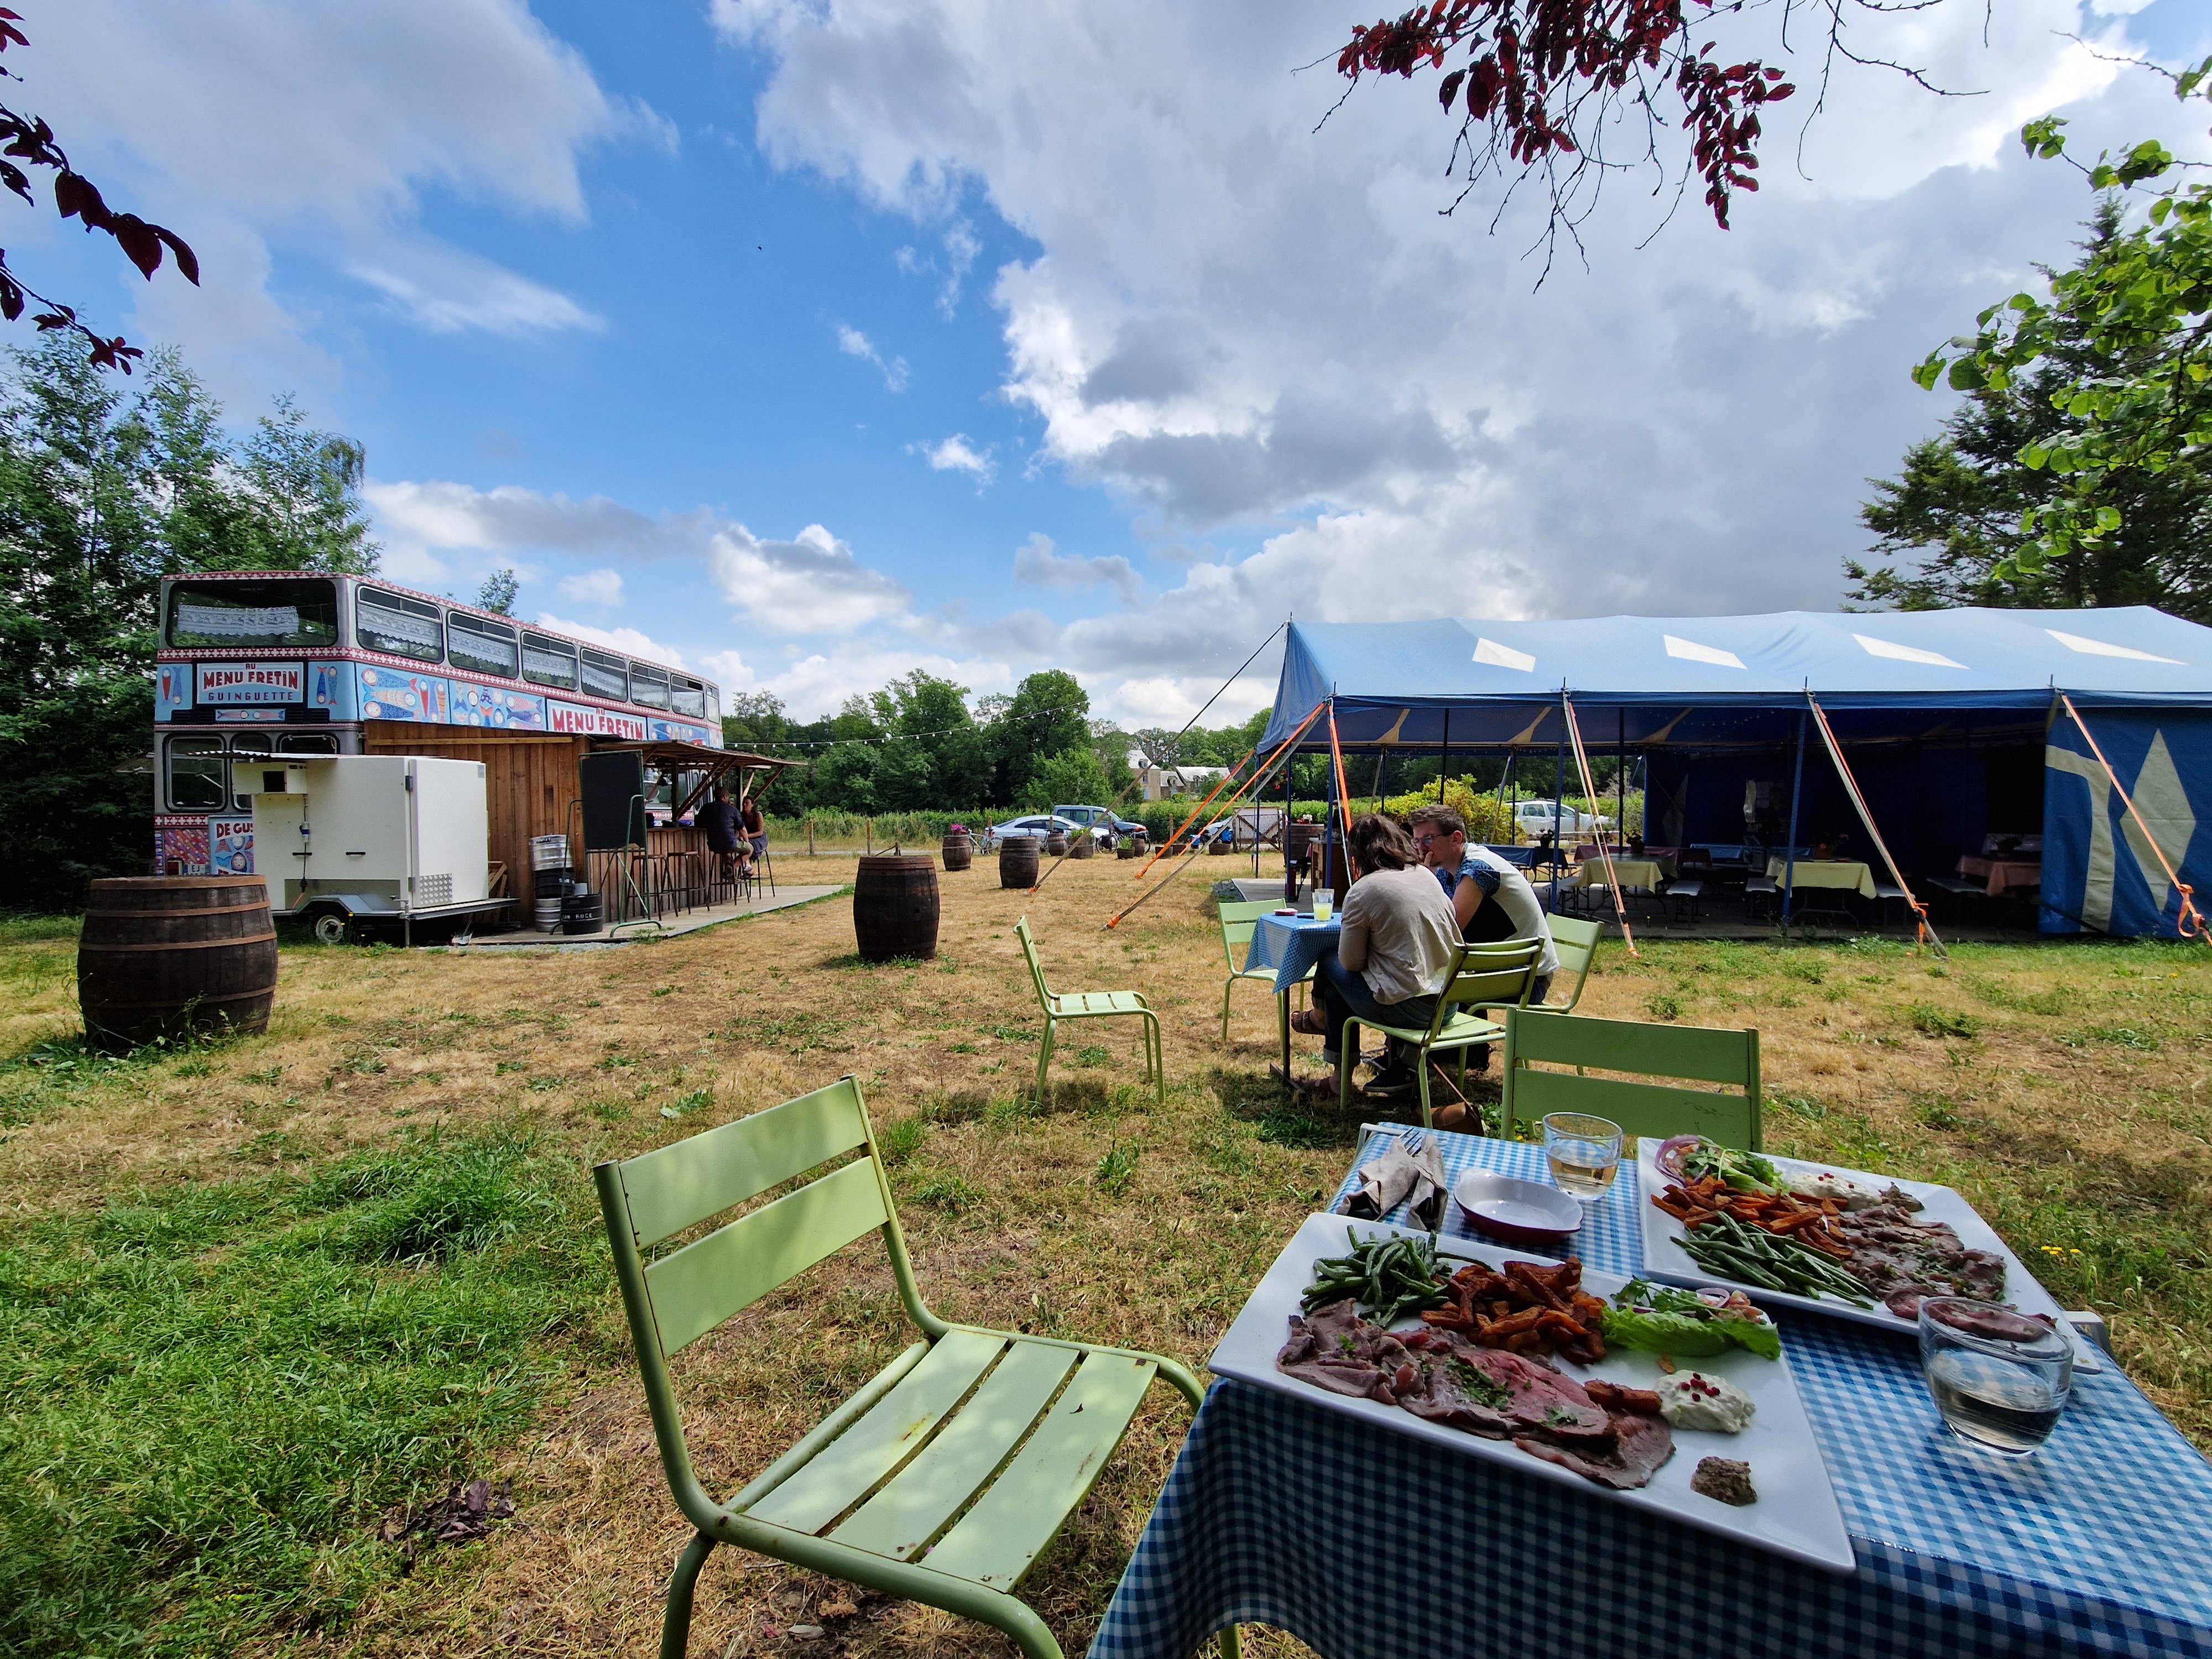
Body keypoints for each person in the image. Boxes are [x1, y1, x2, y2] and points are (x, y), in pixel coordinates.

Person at [1287, 814, 1463, 1117]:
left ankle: (1318, 1017)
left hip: (1411, 1008)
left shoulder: (1363, 890)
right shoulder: (1426, 876)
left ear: (1358, 854)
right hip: (1448, 1004)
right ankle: (1338, 1081)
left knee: (1328, 958)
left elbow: (1350, 962)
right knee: (1336, 995)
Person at [1408, 804, 1558, 1006]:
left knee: (1420, 993)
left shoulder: (1478, 868)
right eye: (1416, 841)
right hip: (1504, 968)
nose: (1421, 848)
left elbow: (1448, 931)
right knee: (1423, 984)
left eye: (1428, 839)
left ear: (1456, 839)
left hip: (1528, 978)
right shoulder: (1448, 869)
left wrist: (1423, 883)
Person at [698, 784, 748, 889]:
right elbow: (742, 829)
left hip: (713, 845)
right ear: (725, 796)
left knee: (726, 853)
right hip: (730, 842)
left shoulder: (706, 808)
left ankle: (730, 874)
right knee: (749, 850)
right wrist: (747, 842)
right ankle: (730, 870)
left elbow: (698, 823)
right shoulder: (732, 810)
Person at [738, 792, 768, 870]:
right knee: (742, 845)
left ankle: (747, 865)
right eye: (743, 803)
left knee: (747, 845)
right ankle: (748, 866)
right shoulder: (741, 816)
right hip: (747, 838)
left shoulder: (758, 815)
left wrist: (746, 836)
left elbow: (760, 832)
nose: (745, 805)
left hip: (759, 839)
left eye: (747, 803)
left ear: (752, 805)